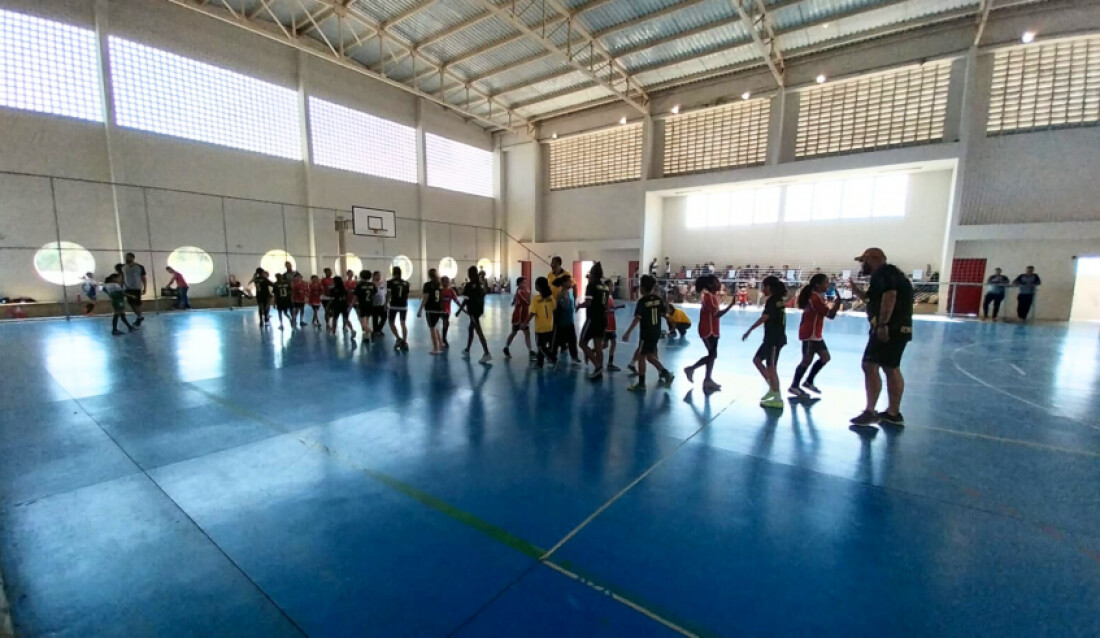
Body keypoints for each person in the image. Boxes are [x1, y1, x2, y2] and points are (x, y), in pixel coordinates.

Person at [849, 248, 914, 427]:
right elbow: (871, 300)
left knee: (870, 365)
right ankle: (893, 413)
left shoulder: (883, 273)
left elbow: (890, 296)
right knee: (890, 367)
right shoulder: (892, 274)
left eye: (864, 261)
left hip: (889, 328)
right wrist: (855, 291)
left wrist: (883, 324)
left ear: (874, 259)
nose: (863, 265)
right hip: (900, 329)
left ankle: (870, 411)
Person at [790, 273, 841, 396]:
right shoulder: (815, 298)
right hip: (809, 334)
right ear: (818, 285)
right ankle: (794, 386)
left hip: (815, 334)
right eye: (825, 282)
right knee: (806, 360)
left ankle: (808, 381)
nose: (827, 285)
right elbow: (830, 315)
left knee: (825, 357)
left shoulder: (817, 296)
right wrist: (838, 303)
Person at [684, 275, 735, 393]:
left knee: (712, 355)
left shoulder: (712, 296)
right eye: (717, 282)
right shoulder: (708, 298)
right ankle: (691, 369)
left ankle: (707, 379)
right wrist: (731, 305)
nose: (719, 283)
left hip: (713, 329)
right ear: (711, 285)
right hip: (708, 329)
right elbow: (717, 314)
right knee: (712, 355)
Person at [622, 275, 674, 391]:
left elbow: (637, 319)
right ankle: (665, 373)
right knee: (649, 357)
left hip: (646, 332)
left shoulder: (642, 301)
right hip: (656, 331)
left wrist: (628, 332)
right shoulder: (657, 299)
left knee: (641, 356)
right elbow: (664, 313)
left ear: (643, 288)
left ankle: (641, 384)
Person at [743, 276, 788, 409]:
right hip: (770, 339)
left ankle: (778, 398)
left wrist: (750, 329)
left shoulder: (773, 301)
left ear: (769, 287)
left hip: (774, 340)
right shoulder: (778, 300)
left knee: (771, 367)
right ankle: (772, 389)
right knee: (757, 360)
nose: (762, 289)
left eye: (764, 286)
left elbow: (765, 317)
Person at [576, 263, 610, 379]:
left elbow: (588, 303)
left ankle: (597, 365)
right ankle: (598, 372)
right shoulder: (605, 287)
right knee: (598, 347)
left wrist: (579, 306)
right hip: (603, 318)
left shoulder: (591, 286)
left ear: (592, 274)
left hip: (593, 319)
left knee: (582, 343)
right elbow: (605, 305)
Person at [457, 265, 491, 363]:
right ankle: (467, 349)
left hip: (472, 311)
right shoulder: (480, 284)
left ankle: (487, 353)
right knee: (470, 328)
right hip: (479, 310)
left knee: (478, 331)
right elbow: (484, 294)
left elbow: (465, 299)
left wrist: (459, 310)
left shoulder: (468, 285)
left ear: (469, 274)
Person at [528, 277, 557, 368]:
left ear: (539, 287)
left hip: (540, 327)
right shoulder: (551, 297)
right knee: (543, 345)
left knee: (540, 345)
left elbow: (532, 313)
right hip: (549, 326)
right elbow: (554, 308)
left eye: (536, 284)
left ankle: (553, 358)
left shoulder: (536, 299)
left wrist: (524, 323)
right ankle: (540, 363)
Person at [552, 273, 580, 365]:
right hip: (561, 322)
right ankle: (552, 357)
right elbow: (562, 306)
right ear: (564, 283)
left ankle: (574, 357)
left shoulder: (570, 293)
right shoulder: (561, 294)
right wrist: (566, 300)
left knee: (572, 340)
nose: (571, 283)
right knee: (556, 341)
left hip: (570, 321)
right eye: (569, 281)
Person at [503, 277, 532, 359]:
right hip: (518, 317)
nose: (525, 284)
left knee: (527, 333)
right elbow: (526, 302)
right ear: (519, 284)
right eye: (523, 282)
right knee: (514, 333)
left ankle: (530, 351)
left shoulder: (524, 291)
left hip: (524, 316)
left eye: (525, 282)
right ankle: (506, 347)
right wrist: (529, 298)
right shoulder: (519, 292)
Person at [418, 268, 444, 355]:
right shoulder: (439, 284)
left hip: (430, 309)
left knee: (432, 329)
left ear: (429, 275)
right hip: (439, 308)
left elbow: (426, 298)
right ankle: (440, 344)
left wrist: (420, 309)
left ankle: (436, 348)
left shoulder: (427, 285)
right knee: (435, 327)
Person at [387, 267, 410, 350]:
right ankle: (404, 341)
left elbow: (388, 294)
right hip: (403, 305)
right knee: (403, 323)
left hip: (393, 305)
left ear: (393, 273)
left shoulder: (390, 282)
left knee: (391, 322)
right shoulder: (406, 283)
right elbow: (407, 295)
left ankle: (398, 338)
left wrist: (386, 303)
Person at [121, 252, 147, 325]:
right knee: (131, 303)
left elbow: (143, 278)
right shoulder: (123, 267)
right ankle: (139, 316)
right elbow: (123, 278)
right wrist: (121, 287)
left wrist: (145, 288)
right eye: (126, 257)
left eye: (128, 257)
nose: (126, 258)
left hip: (136, 288)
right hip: (127, 288)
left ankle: (140, 317)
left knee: (137, 303)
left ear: (132, 258)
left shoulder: (139, 267)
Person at [603, 282, 622, 372]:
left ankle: (592, 351)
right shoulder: (606, 297)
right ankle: (610, 363)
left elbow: (610, 308)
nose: (613, 287)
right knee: (612, 343)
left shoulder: (610, 296)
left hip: (611, 323)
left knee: (606, 344)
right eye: (611, 285)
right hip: (607, 324)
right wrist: (618, 307)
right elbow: (606, 310)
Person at [354, 270, 377, 340]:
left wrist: (351, 304)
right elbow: (375, 293)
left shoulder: (359, 285)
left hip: (363, 304)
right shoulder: (373, 285)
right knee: (366, 320)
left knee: (362, 321)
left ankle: (371, 332)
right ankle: (366, 336)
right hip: (370, 304)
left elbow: (355, 296)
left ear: (361, 276)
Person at [440, 276, 459, 349]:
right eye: (445, 281)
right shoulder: (440, 291)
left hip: (447, 311)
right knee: (445, 323)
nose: (447, 282)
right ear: (442, 282)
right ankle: (442, 339)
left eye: (447, 281)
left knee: (446, 323)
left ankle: (444, 338)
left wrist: (462, 309)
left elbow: (456, 301)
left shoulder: (451, 291)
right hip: (440, 310)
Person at [371, 271, 387, 337]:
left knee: (384, 317)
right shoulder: (371, 284)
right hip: (374, 305)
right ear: (374, 276)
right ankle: (375, 331)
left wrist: (386, 303)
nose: (378, 277)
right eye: (377, 275)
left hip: (382, 304)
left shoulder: (383, 284)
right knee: (375, 319)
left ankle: (378, 329)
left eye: (379, 275)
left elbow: (385, 294)